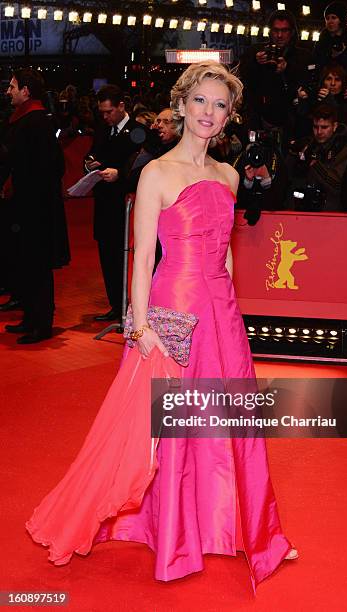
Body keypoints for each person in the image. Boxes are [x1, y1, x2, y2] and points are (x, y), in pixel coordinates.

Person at [26, 61, 297, 590]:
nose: (209, 113)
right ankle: (172, 535)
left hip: (221, 311)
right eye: (201, 101)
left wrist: (232, 306)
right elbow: (143, 255)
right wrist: (140, 322)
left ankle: (245, 529)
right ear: (182, 104)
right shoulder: (156, 173)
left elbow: (227, 255)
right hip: (174, 309)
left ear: (230, 116)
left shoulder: (229, 175)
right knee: (169, 427)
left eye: (220, 105)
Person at [0, 68, 70, 343]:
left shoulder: (38, 121)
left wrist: (18, 184)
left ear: (26, 90)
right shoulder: (22, 120)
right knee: (25, 264)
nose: (8, 91)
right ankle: (30, 318)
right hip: (23, 208)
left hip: (36, 210)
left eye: (13, 86)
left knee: (38, 266)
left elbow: (51, 167)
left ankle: (41, 323)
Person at [84, 85, 139, 322]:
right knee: (107, 256)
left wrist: (121, 176)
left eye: (109, 112)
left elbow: (144, 169)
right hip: (104, 205)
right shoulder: (102, 130)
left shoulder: (138, 131)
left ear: (121, 107)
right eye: (102, 112)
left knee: (126, 257)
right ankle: (116, 306)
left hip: (127, 206)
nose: (105, 117)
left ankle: (131, 307)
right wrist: (89, 165)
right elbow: (91, 154)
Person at [239, 9, 312, 143]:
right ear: (270, 32)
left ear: (292, 32)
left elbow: (308, 86)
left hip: (292, 124)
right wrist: (256, 62)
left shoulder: (303, 56)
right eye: (276, 30)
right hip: (260, 120)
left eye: (284, 30)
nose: (279, 35)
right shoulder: (257, 52)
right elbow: (242, 78)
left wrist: (287, 69)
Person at [286, 104, 347, 211]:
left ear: (335, 126)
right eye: (315, 127)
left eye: (324, 127)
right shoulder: (308, 145)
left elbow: (336, 185)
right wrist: (295, 156)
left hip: (331, 212)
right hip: (303, 207)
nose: (319, 132)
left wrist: (314, 163)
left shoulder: (343, 150)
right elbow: (290, 179)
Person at [313, 2, 347, 72]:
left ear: (342, 19)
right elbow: (316, 66)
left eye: (334, 18)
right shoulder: (320, 44)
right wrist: (331, 57)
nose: (330, 21)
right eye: (327, 18)